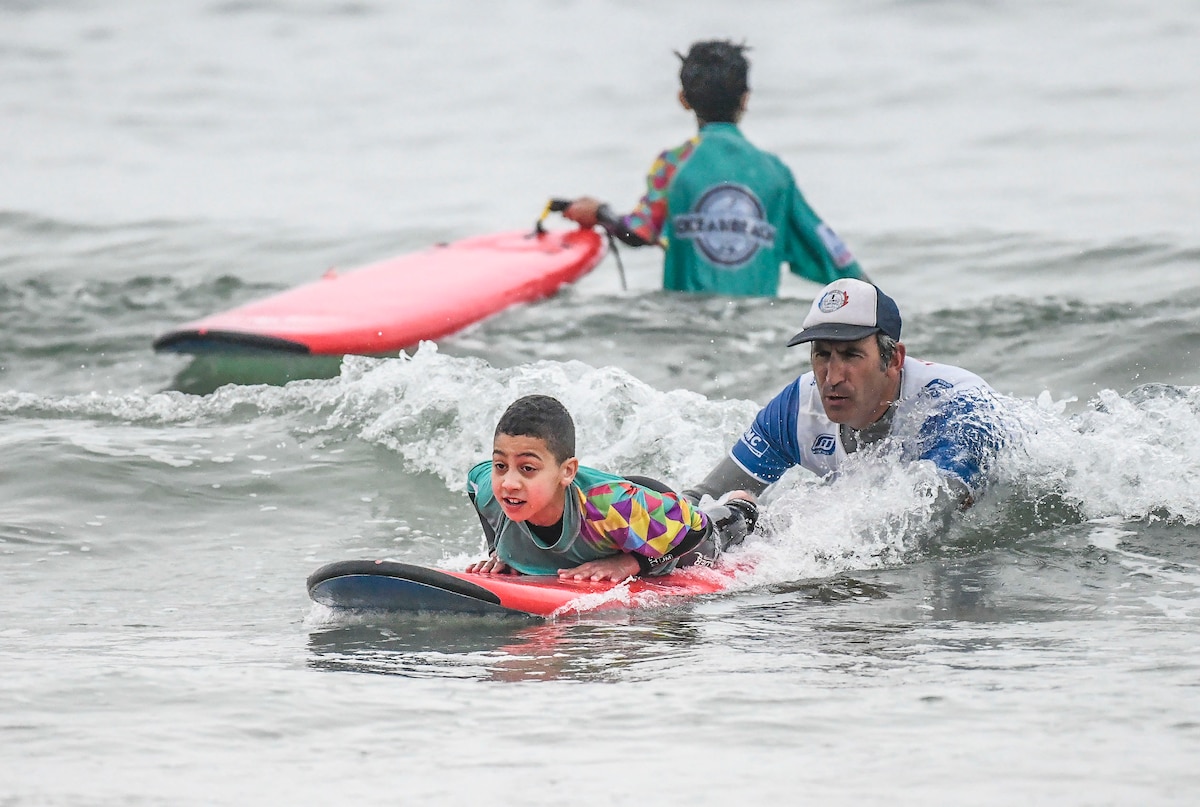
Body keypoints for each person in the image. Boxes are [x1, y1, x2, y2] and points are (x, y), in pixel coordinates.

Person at [563, 39, 868, 297]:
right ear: (746, 99)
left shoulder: (674, 164)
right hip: (753, 327)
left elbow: (637, 233)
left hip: (688, 326)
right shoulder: (775, 174)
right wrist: (872, 298)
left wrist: (600, 212)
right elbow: (830, 252)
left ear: (683, 100)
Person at [683, 278, 1006, 509]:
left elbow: (924, 520)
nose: (832, 378)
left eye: (851, 355)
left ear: (893, 359)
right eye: (822, 354)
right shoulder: (795, 407)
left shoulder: (956, 408)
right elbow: (704, 498)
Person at [466, 394, 757, 582]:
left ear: (566, 472)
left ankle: (740, 505)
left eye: (528, 469)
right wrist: (499, 551)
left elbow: (695, 528)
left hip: (641, 516)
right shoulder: (491, 488)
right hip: (635, 512)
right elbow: (472, 483)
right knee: (661, 512)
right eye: (501, 465)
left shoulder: (608, 507)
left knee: (718, 533)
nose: (509, 482)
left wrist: (630, 563)